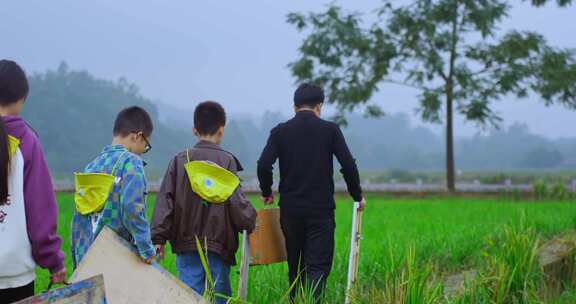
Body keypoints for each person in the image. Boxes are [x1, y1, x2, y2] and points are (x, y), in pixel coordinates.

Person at [257, 83, 366, 303]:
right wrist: (357, 196)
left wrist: (267, 192)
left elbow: (263, 164)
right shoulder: (330, 130)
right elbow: (348, 165)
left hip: (291, 211)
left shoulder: (280, 131)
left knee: (295, 265)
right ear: (319, 106)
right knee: (317, 265)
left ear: (295, 106)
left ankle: (295, 300)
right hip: (320, 210)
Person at [152, 101, 256, 304]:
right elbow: (236, 202)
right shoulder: (227, 161)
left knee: (190, 298)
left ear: (194, 129)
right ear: (221, 130)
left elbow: (166, 200)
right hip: (219, 245)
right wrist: (250, 220)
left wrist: (158, 238)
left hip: (186, 243)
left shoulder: (180, 160)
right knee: (219, 296)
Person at [0, 60, 67, 302]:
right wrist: (53, 261)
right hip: (14, 274)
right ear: (21, 99)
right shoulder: (27, 142)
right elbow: (40, 210)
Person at [71, 106, 156, 268]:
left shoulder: (91, 166)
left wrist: (77, 263)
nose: (143, 151)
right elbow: (132, 208)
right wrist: (146, 249)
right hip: (116, 258)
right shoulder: (131, 162)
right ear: (137, 136)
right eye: (146, 146)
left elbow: (77, 218)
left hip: (86, 256)